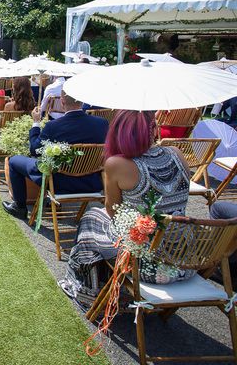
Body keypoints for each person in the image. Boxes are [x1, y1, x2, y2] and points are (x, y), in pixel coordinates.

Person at [59, 110, 192, 306]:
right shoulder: (176, 153)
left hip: (146, 267)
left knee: (91, 219)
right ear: (153, 130)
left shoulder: (117, 164)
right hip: (186, 261)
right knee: (98, 220)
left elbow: (113, 211)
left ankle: (88, 289)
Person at [2, 91, 109, 221]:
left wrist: (36, 123)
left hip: (58, 182)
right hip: (91, 182)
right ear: (81, 101)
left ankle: (19, 207)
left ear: (62, 102)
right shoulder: (102, 124)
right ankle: (48, 202)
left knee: (13, 161)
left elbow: (34, 150)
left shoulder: (53, 126)